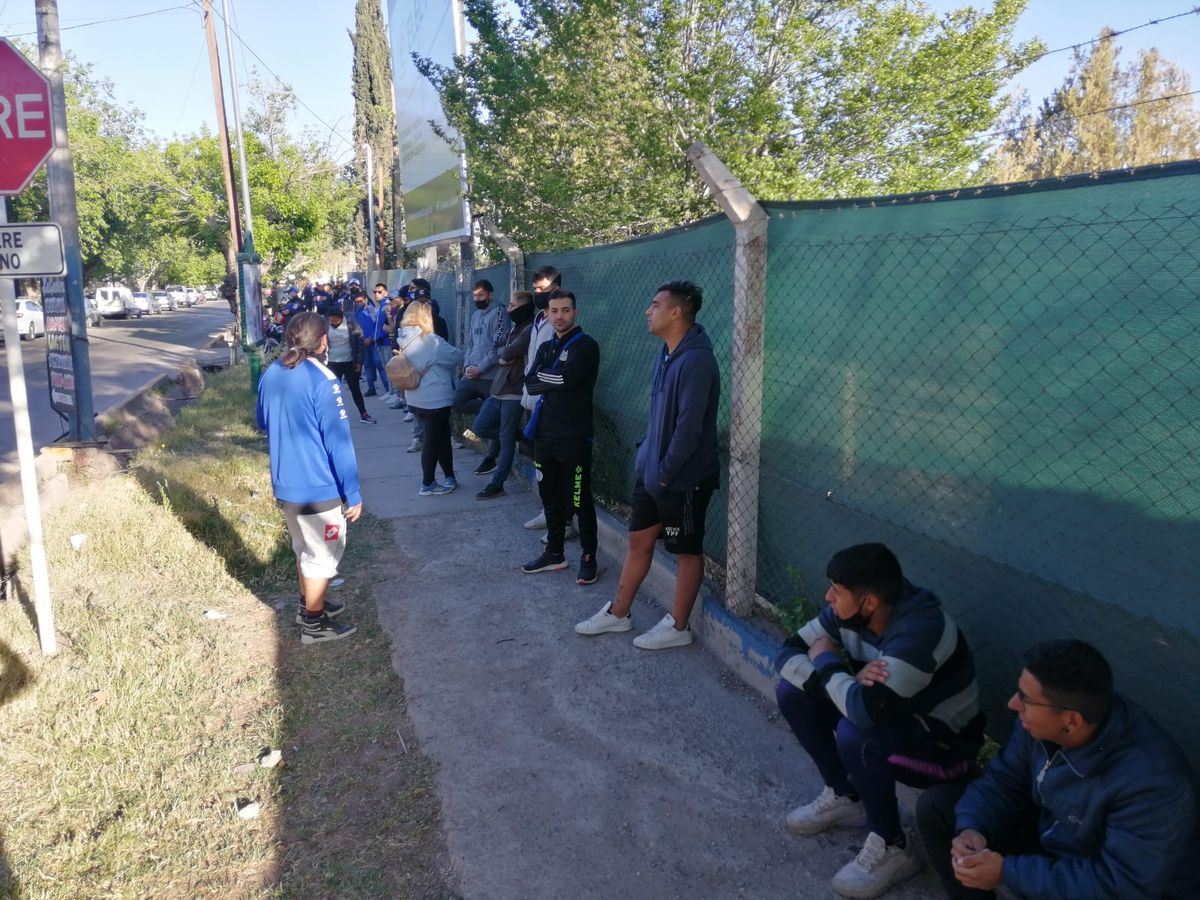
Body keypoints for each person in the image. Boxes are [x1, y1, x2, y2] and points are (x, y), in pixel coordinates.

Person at [770, 543, 986, 899]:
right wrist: (844, 682)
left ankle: (893, 845)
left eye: (836, 592)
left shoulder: (920, 632)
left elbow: (863, 711)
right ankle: (846, 796)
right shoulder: (848, 614)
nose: (827, 598)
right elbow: (787, 650)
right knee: (792, 693)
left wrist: (828, 664)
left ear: (868, 602)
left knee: (858, 732)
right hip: (893, 721)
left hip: (943, 751)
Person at [917, 639, 1200, 900]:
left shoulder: (1153, 784)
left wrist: (1009, 872)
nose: (1013, 704)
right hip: (1053, 839)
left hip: (1103, 878)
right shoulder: (1041, 725)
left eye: (1025, 699)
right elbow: (1003, 780)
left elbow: (1121, 884)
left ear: (1071, 721)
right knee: (939, 807)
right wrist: (972, 828)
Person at [575, 281, 720, 647]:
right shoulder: (665, 353)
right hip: (652, 473)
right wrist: (647, 460)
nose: (647, 310)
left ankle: (678, 627)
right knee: (638, 540)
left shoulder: (697, 360)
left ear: (676, 312)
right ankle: (619, 613)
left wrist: (666, 473)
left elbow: (688, 430)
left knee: (686, 551)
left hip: (682, 479)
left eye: (655, 305)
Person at [255, 312, 360, 644]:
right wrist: (353, 493)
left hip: (286, 483)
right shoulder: (323, 379)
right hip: (318, 486)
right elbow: (338, 442)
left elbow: (262, 420)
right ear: (323, 341)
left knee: (305, 550)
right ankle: (313, 627)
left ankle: (308, 607)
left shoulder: (272, 371)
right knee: (321, 558)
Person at [521, 289, 600, 583]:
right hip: (545, 437)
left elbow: (567, 380)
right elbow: (530, 382)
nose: (559, 316)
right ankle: (554, 553)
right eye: (554, 311)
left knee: (579, 500)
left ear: (575, 312)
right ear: (547, 313)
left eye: (565, 310)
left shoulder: (586, 346)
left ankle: (589, 557)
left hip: (574, 439)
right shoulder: (546, 347)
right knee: (549, 498)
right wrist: (550, 377)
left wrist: (547, 377)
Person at [520, 265, 576, 541]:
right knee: (543, 465)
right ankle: (549, 512)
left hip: (550, 405)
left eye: (543, 289)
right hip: (532, 402)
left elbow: (553, 374)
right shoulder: (539, 320)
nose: (538, 294)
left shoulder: (561, 326)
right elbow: (533, 368)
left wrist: (538, 382)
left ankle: (564, 521)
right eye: (536, 290)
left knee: (559, 467)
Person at [473, 290, 536, 500]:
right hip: (497, 389)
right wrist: (502, 356)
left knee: (506, 441)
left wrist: (503, 354)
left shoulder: (529, 329)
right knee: (479, 427)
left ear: (523, 308)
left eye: (512, 305)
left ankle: (497, 483)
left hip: (513, 392)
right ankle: (521, 435)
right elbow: (498, 350)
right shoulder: (515, 328)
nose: (508, 309)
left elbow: (508, 352)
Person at [397, 299, 464, 495]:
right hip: (435, 398)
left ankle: (450, 476)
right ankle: (427, 483)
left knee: (440, 437)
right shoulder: (431, 341)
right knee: (434, 441)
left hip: (415, 397)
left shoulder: (404, 338)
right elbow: (456, 356)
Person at [454, 279, 508, 458]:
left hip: (490, 377)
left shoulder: (499, 312)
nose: (477, 299)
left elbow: (498, 347)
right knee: (457, 402)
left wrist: (481, 368)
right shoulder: (475, 315)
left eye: (481, 295)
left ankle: (493, 456)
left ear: (490, 295)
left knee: (489, 422)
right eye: (475, 295)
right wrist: (468, 365)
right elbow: (470, 344)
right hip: (471, 374)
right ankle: (484, 415)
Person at [324, 305, 376, 424]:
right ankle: (332, 417)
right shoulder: (324, 324)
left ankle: (364, 414)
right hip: (332, 363)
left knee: (355, 389)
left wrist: (359, 362)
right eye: (331, 320)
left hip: (350, 362)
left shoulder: (351, 323)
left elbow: (359, 344)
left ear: (341, 317)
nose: (333, 322)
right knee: (332, 391)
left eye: (336, 320)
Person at [355, 287, 391, 398]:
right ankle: (371, 388)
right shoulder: (357, 313)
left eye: (360, 301)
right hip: (363, 343)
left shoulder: (373, 311)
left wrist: (370, 338)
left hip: (374, 342)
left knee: (380, 365)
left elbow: (378, 327)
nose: (358, 304)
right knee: (368, 366)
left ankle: (388, 389)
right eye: (356, 302)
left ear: (366, 300)